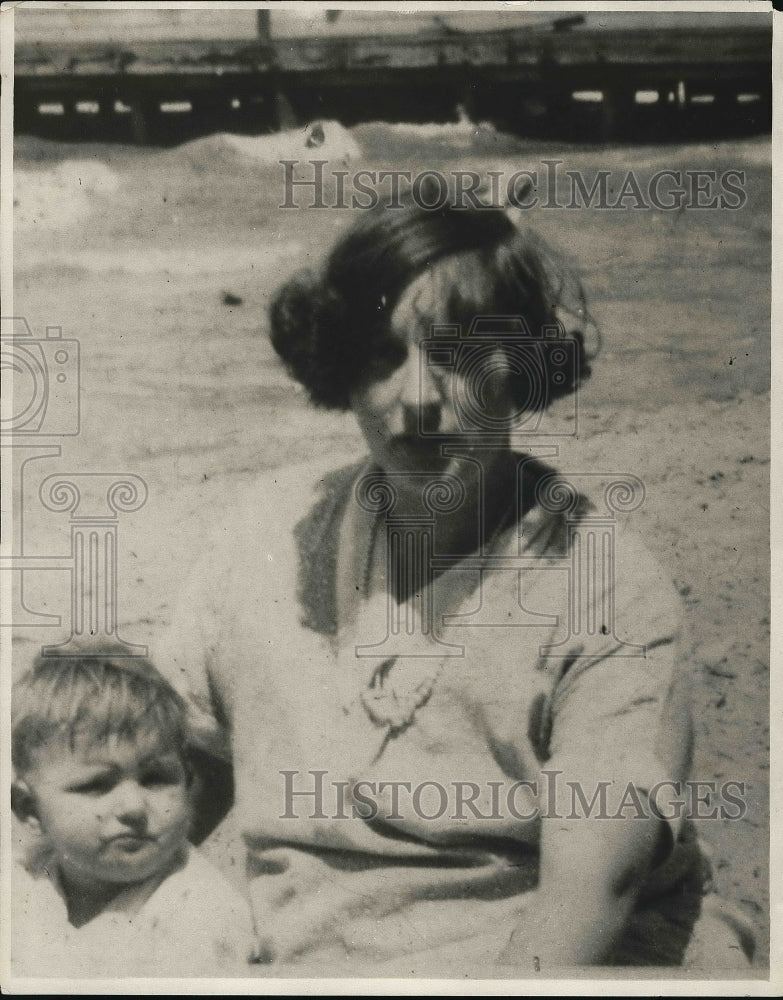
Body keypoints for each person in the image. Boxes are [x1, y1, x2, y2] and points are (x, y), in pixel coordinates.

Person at [158, 199, 753, 974]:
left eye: (459, 356)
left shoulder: (604, 590)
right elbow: (173, 765)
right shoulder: (264, 535)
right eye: (378, 356)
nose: (416, 399)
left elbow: (593, 890)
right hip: (313, 954)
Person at [10, 647, 255, 978]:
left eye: (156, 779)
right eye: (97, 785)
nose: (134, 807)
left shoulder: (199, 916)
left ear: (188, 783)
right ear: (28, 808)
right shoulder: (22, 881)